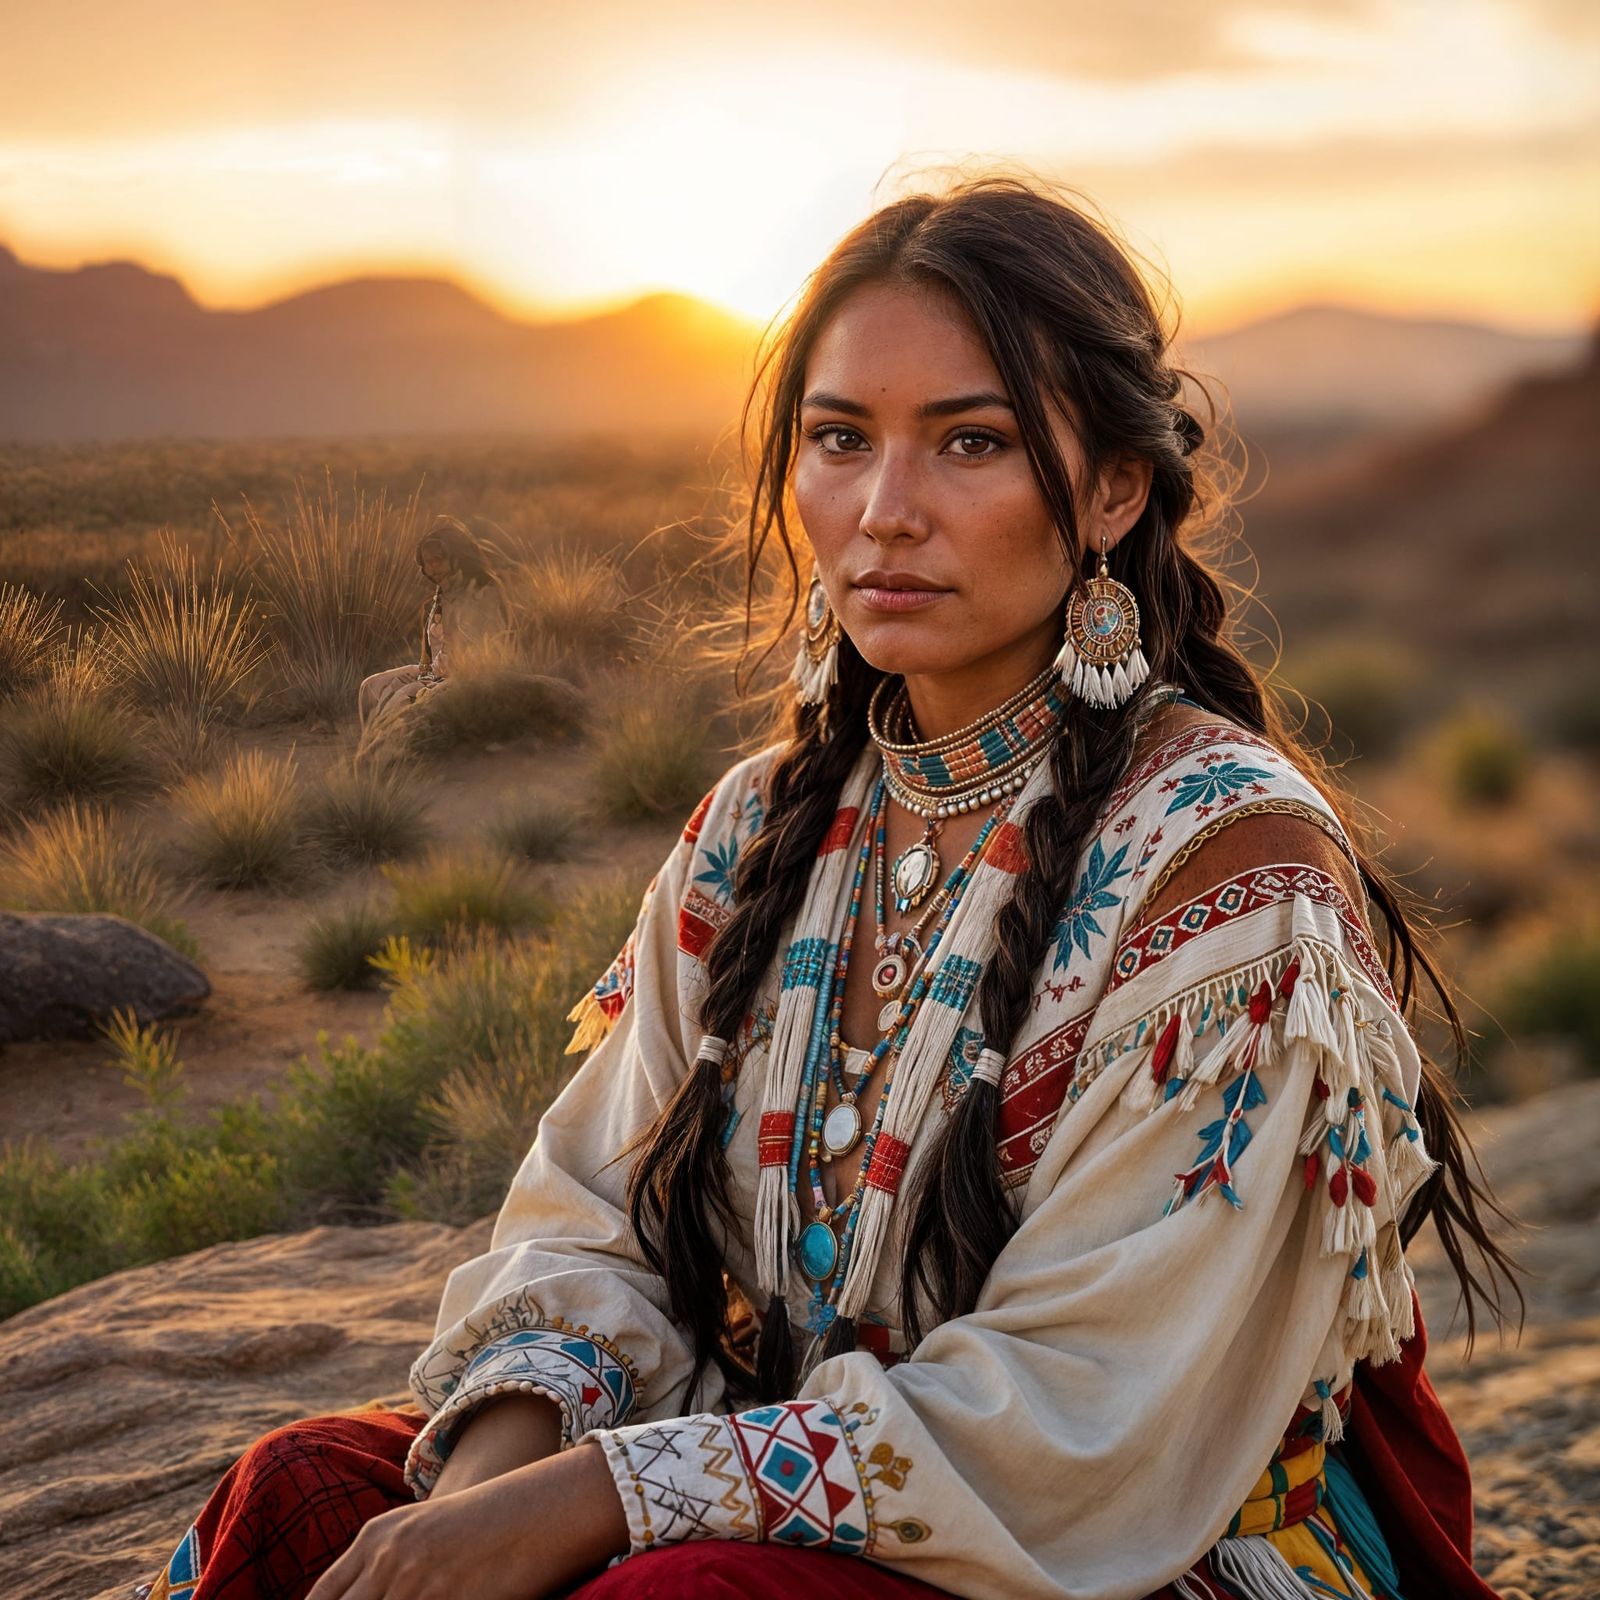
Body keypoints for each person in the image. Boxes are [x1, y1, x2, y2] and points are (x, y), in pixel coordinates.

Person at [141, 174, 1520, 1600]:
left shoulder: (1231, 869)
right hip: (789, 1484)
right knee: (305, 1494)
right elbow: (592, 1215)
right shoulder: (760, 824)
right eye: (839, 440)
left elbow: (1088, 1416)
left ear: (1114, 488)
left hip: (1139, 1547)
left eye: (970, 442)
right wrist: (492, 1492)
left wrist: (608, 1500)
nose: (885, 512)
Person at [355, 516, 512, 758]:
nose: (430, 570)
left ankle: (394, 759)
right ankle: (372, 749)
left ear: (457, 556)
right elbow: (428, 656)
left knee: (399, 698)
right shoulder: (441, 594)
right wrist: (425, 673)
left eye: (437, 561)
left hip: (471, 679)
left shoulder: (484, 592)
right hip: (436, 674)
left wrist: (434, 681)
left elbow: (488, 656)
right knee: (371, 687)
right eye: (426, 563)